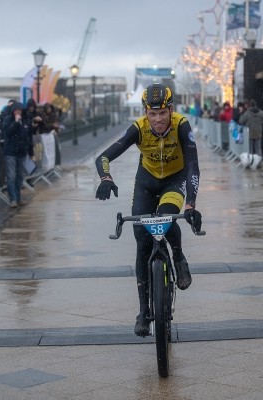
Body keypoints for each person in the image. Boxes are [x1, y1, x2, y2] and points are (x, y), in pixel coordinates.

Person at [94, 83, 202, 337]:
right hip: (146, 182)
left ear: (170, 110)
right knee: (142, 241)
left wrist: (191, 205)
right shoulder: (139, 129)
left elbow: (194, 165)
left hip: (175, 180)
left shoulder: (181, 125)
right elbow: (104, 157)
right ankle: (143, 311)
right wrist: (106, 178)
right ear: (145, 112)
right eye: (152, 114)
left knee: (167, 215)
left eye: (162, 113)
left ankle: (178, 256)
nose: (157, 120)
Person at [2, 102, 34, 208]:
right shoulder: (8, 120)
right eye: (16, 110)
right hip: (11, 151)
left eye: (20, 110)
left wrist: (31, 152)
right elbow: (7, 133)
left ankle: (18, 197)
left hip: (21, 152)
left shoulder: (26, 121)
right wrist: (15, 122)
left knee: (20, 175)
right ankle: (13, 199)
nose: (18, 112)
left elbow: (29, 137)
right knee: (11, 176)